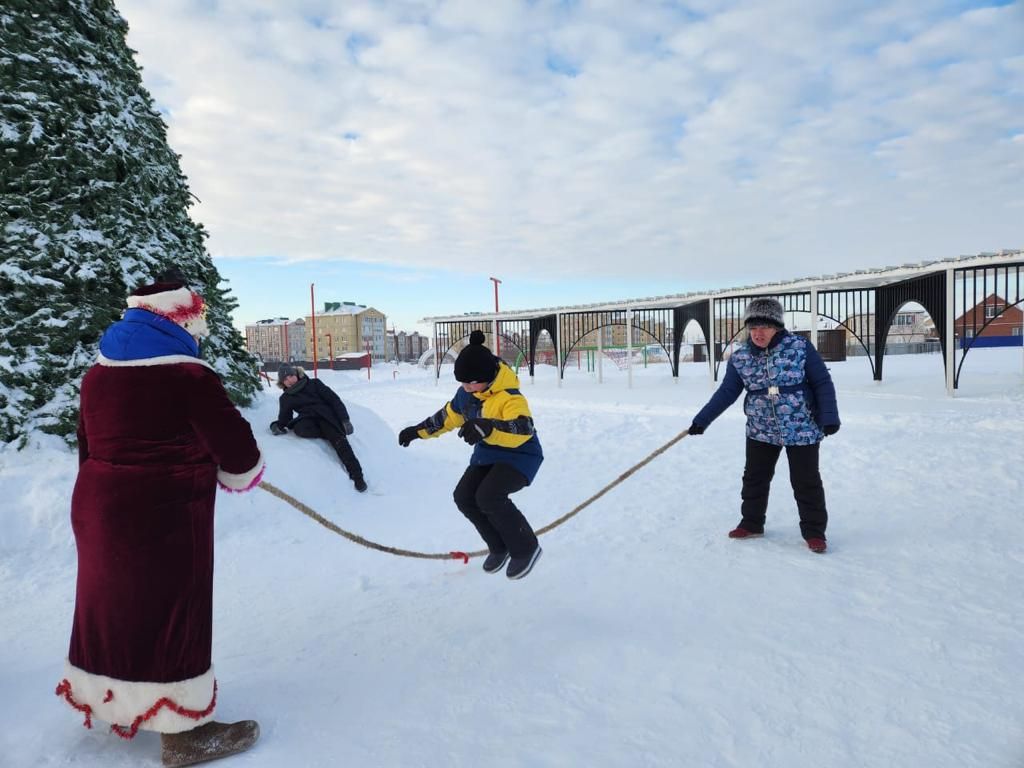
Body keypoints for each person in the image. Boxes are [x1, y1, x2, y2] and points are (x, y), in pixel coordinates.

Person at [57, 273, 265, 767]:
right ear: (181, 317)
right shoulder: (188, 375)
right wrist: (236, 473)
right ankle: (185, 732)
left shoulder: (98, 372)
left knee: (112, 606)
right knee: (175, 614)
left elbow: (86, 442)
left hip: (97, 504)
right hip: (165, 515)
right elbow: (238, 455)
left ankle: (113, 700)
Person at [688, 297, 840, 554]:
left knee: (806, 481)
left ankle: (815, 532)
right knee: (754, 478)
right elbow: (726, 392)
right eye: (753, 327)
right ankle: (751, 523)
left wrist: (829, 417)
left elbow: (822, 382)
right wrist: (702, 420)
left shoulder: (800, 347)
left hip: (801, 426)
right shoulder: (740, 358)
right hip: (761, 428)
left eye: (765, 327)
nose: (758, 333)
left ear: (777, 327)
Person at [398, 330, 543, 579]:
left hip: (520, 456)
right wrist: (417, 431)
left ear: (488, 376)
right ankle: (499, 546)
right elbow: (446, 418)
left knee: (489, 496)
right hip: (487, 456)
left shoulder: (510, 397)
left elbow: (523, 429)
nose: (467, 387)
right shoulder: (467, 395)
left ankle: (526, 548)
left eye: (472, 382)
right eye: (463, 383)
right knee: (464, 496)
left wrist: (489, 427)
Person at [270, 365, 367, 492]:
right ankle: (330, 435)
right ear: (282, 383)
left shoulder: (314, 384)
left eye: (291, 376)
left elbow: (334, 400)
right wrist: (277, 426)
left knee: (341, 445)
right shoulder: (286, 398)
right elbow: (285, 417)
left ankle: (357, 476)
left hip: (327, 417)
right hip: (308, 420)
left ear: (297, 374)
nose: (290, 380)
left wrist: (345, 420)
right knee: (299, 429)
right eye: (285, 379)